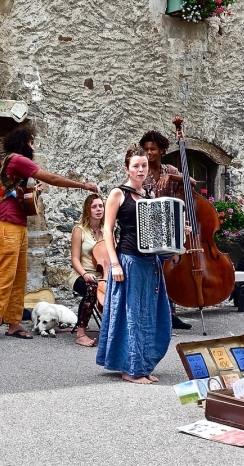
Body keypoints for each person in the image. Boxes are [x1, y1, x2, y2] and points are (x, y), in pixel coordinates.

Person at [0, 126, 99, 344]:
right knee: (6, 275)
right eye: (32, 142)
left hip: (15, 223)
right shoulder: (18, 159)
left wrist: (32, 193)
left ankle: (14, 323)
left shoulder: (10, 162)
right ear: (24, 142)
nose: (33, 146)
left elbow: (13, 194)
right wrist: (82, 185)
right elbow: (52, 178)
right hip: (6, 223)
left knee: (19, 277)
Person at [96, 146, 172, 384]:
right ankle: (130, 369)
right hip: (128, 259)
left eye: (144, 166)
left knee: (149, 315)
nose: (140, 170)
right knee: (132, 316)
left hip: (150, 263)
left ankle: (143, 363)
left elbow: (157, 233)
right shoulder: (118, 194)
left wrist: (179, 231)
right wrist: (114, 264)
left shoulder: (150, 196)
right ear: (127, 168)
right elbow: (107, 230)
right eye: (136, 166)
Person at [139, 130, 193, 331]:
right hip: (148, 226)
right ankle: (154, 316)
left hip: (170, 227)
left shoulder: (168, 169)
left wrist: (171, 176)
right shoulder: (141, 171)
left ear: (161, 150)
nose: (149, 153)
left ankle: (171, 315)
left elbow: (191, 182)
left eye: (153, 149)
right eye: (146, 149)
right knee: (152, 273)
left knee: (169, 273)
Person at [67, 193, 104, 347]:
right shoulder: (79, 230)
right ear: (87, 210)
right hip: (80, 275)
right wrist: (85, 273)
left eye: (101, 206)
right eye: (94, 206)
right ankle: (81, 333)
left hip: (102, 275)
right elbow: (74, 259)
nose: (98, 209)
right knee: (91, 288)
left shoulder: (107, 230)